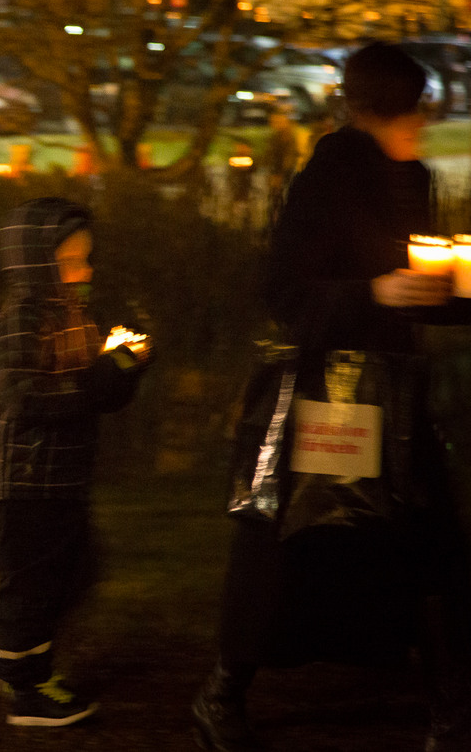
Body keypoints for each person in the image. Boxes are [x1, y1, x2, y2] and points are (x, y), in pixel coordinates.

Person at [192, 43, 471, 752]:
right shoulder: (327, 178)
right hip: (328, 397)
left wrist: (454, 292)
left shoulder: (415, 177)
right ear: (372, 112)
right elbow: (285, 293)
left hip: (397, 393)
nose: (420, 125)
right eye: (408, 113)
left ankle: (448, 706)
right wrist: (374, 292)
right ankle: (222, 691)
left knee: (427, 540)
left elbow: (419, 286)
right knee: (287, 542)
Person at [0, 197, 152, 727]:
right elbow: (22, 396)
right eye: (70, 261)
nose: (84, 270)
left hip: (60, 478)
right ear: (35, 263)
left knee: (74, 572)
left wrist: (123, 368)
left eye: (86, 259)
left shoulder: (76, 318)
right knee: (34, 582)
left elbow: (92, 394)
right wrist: (96, 380)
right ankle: (26, 687)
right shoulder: (21, 321)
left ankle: (18, 655)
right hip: (20, 478)